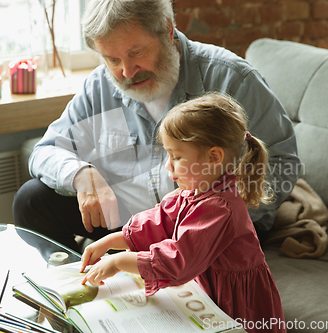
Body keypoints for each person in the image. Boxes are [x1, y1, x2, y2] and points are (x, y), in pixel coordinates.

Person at [12, 0, 300, 253]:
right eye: (112, 59)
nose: (126, 72)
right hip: (131, 223)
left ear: (168, 30)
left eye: (136, 52)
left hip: (209, 228)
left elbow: (284, 165)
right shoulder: (99, 86)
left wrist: (217, 207)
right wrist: (81, 175)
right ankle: (74, 286)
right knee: (31, 201)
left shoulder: (232, 79)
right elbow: (46, 152)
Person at [80, 93, 286, 333]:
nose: (168, 165)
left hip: (235, 304)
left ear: (213, 157)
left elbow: (179, 260)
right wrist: (110, 242)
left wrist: (119, 262)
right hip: (207, 289)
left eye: (177, 157)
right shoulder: (195, 190)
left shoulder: (219, 208)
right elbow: (158, 222)